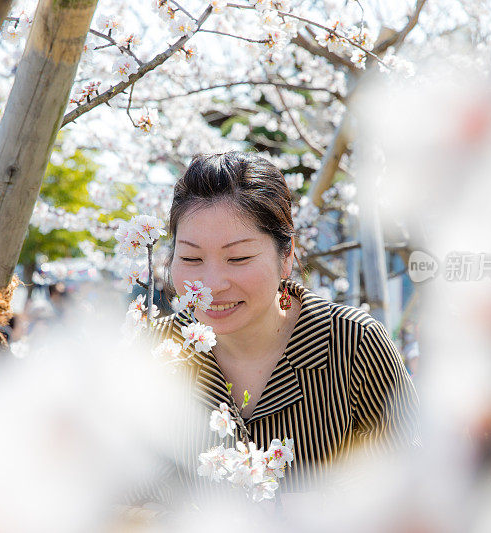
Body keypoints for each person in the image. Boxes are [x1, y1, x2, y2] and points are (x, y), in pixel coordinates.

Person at [146, 151, 419, 504]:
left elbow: (411, 488)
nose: (211, 284)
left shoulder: (352, 344)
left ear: (286, 255)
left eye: (239, 258)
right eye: (191, 258)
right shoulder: (153, 350)